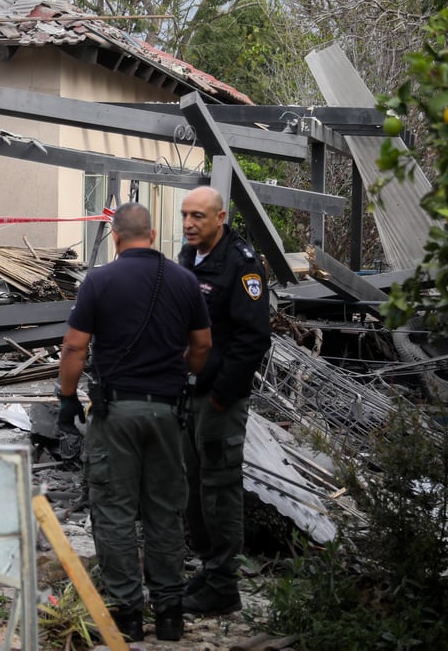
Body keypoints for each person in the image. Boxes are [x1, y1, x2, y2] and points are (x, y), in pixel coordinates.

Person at [57, 202, 212, 642]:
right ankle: (169, 614)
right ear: (153, 231)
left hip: (115, 412)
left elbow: (74, 348)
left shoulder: (100, 280)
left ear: (116, 235)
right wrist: (179, 371)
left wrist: (67, 398)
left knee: (114, 511)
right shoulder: (184, 281)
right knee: (165, 511)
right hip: (167, 412)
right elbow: (202, 345)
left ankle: (126, 614)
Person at [177, 186, 272, 617]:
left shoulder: (242, 265)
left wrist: (220, 396)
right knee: (194, 486)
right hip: (192, 394)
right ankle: (207, 570)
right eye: (185, 215)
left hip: (219, 399)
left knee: (219, 488)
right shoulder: (189, 256)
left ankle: (223, 585)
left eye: (198, 216)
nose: (189, 224)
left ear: (220, 218)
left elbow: (253, 340)